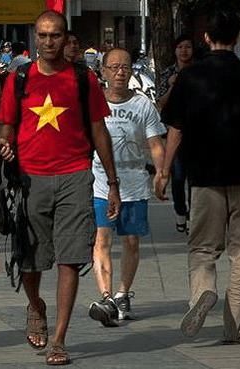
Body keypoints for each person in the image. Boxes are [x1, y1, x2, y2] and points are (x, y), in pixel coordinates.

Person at [155, 11, 240, 344]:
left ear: (205, 38)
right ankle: (234, 326)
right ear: (237, 37)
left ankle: (203, 291)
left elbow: (176, 128)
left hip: (203, 178)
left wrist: (163, 170)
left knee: (202, 248)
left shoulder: (190, 76)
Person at [0, 10, 120, 365]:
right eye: (43, 35)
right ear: (36, 37)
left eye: (56, 35)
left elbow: (99, 131)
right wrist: (5, 145)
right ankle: (35, 305)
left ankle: (60, 339)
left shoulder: (82, 79)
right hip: (30, 178)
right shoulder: (19, 78)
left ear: (66, 38)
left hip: (75, 176)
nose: (49, 42)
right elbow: (6, 127)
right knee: (31, 260)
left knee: (70, 258)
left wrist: (112, 183)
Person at [88, 47, 166, 327]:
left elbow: (156, 143)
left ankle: (122, 294)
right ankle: (106, 297)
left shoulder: (142, 104)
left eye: (126, 67)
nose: (120, 72)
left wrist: (162, 172)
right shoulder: (93, 101)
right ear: (103, 71)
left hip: (134, 185)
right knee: (102, 240)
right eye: (114, 67)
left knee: (131, 241)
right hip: (100, 183)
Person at [157, 35, 194, 233]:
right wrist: (173, 84)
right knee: (178, 176)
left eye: (187, 46)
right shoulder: (168, 73)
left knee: (195, 177)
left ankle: (194, 216)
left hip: (196, 131)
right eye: (180, 46)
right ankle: (181, 212)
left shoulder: (199, 71)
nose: (184, 50)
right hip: (173, 130)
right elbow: (161, 102)